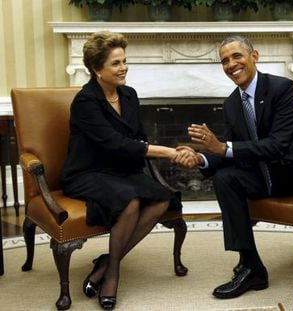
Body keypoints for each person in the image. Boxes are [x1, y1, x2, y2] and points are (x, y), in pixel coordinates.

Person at [185, 35, 293, 311]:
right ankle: (251, 266)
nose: (231, 64)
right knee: (226, 178)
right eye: (224, 60)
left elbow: (278, 145)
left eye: (237, 56)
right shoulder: (231, 104)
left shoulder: (283, 88)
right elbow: (228, 150)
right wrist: (200, 157)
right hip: (272, 173)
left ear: (254, 56)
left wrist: (223, 148)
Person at [60, 31, 196, 310]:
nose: (124, 68)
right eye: (116, 63)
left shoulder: (129, 95)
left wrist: (165, 149)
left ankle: (108, 260)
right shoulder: (86, 102)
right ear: (96, 69)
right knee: (130, 201)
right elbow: (116, 144)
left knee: (162, 198)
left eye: (125, 61)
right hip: (88, 172)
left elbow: (137, 138)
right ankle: (112, 275)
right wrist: (170, 152)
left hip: (122, 171)